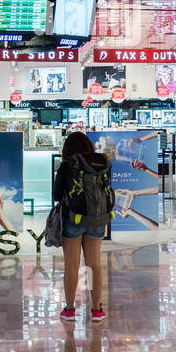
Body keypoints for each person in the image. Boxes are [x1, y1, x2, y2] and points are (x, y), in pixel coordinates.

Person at [52, 131, 111, 324]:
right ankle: (96, 310)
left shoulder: (66, 166)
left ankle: (69, 310)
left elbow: (56, 195)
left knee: (71, 265)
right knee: (94, 264)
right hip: (97, 219)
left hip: (73, 219)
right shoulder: (102, 163)